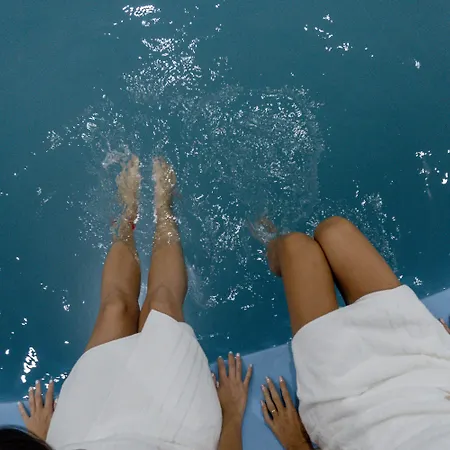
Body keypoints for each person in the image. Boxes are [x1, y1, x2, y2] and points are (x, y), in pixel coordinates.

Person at [15, 156, 253, 450]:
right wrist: (232, 416)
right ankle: (165, 210)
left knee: (115, 308)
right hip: (175, 436)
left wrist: (39, 443)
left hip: (81, 436)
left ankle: (126, 214)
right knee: (162, 304)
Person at [258, 217, 450, 450]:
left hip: (346, 404)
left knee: (294, 247)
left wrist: (296, 443)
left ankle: (268, 240)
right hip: (427, 372)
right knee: (334, 230)